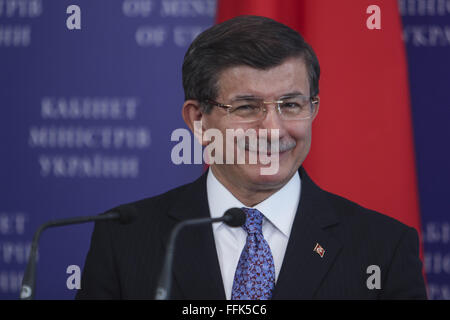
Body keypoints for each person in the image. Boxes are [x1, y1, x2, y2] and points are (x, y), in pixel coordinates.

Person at [76, 15, 427, 300]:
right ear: (198, 119)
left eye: (291, 105)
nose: (273, 130)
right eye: (246, 107)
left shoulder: (383, 248)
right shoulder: (126, 239)